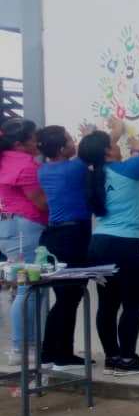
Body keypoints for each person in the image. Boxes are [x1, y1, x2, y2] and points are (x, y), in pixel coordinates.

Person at [82, 121, 139, 376]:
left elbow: (134, 166)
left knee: (108, 304)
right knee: (133, 302)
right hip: (125, 245)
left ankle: (113, 357)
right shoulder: (129, 167)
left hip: (99, 245)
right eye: (114, 143)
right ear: (107, 152)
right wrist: (138, 148)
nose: (118, 145)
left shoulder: (93, 175)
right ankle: (127, 359)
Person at [35, 124, 94, 370]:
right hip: (72, 236)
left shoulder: (45, 170)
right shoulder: (74, 169)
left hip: (55, 237)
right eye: (70, 140)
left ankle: (50, 353)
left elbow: (80, 153)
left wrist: (81, 138)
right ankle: (62, 355)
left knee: (63, 297)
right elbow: (90, 152)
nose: (74, 143)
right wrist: (91, 134)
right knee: (70, 296)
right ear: (61, 148)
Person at [0, 118, 47, 365]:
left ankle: (22, 346)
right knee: (29, 288)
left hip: (6, 227)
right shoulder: (25, 165)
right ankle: (23, 348)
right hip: (25, 228)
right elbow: (40, 202)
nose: (37, 141)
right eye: (33, 137)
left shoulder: (4, 159)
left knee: (21, 287)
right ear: (20, 143)